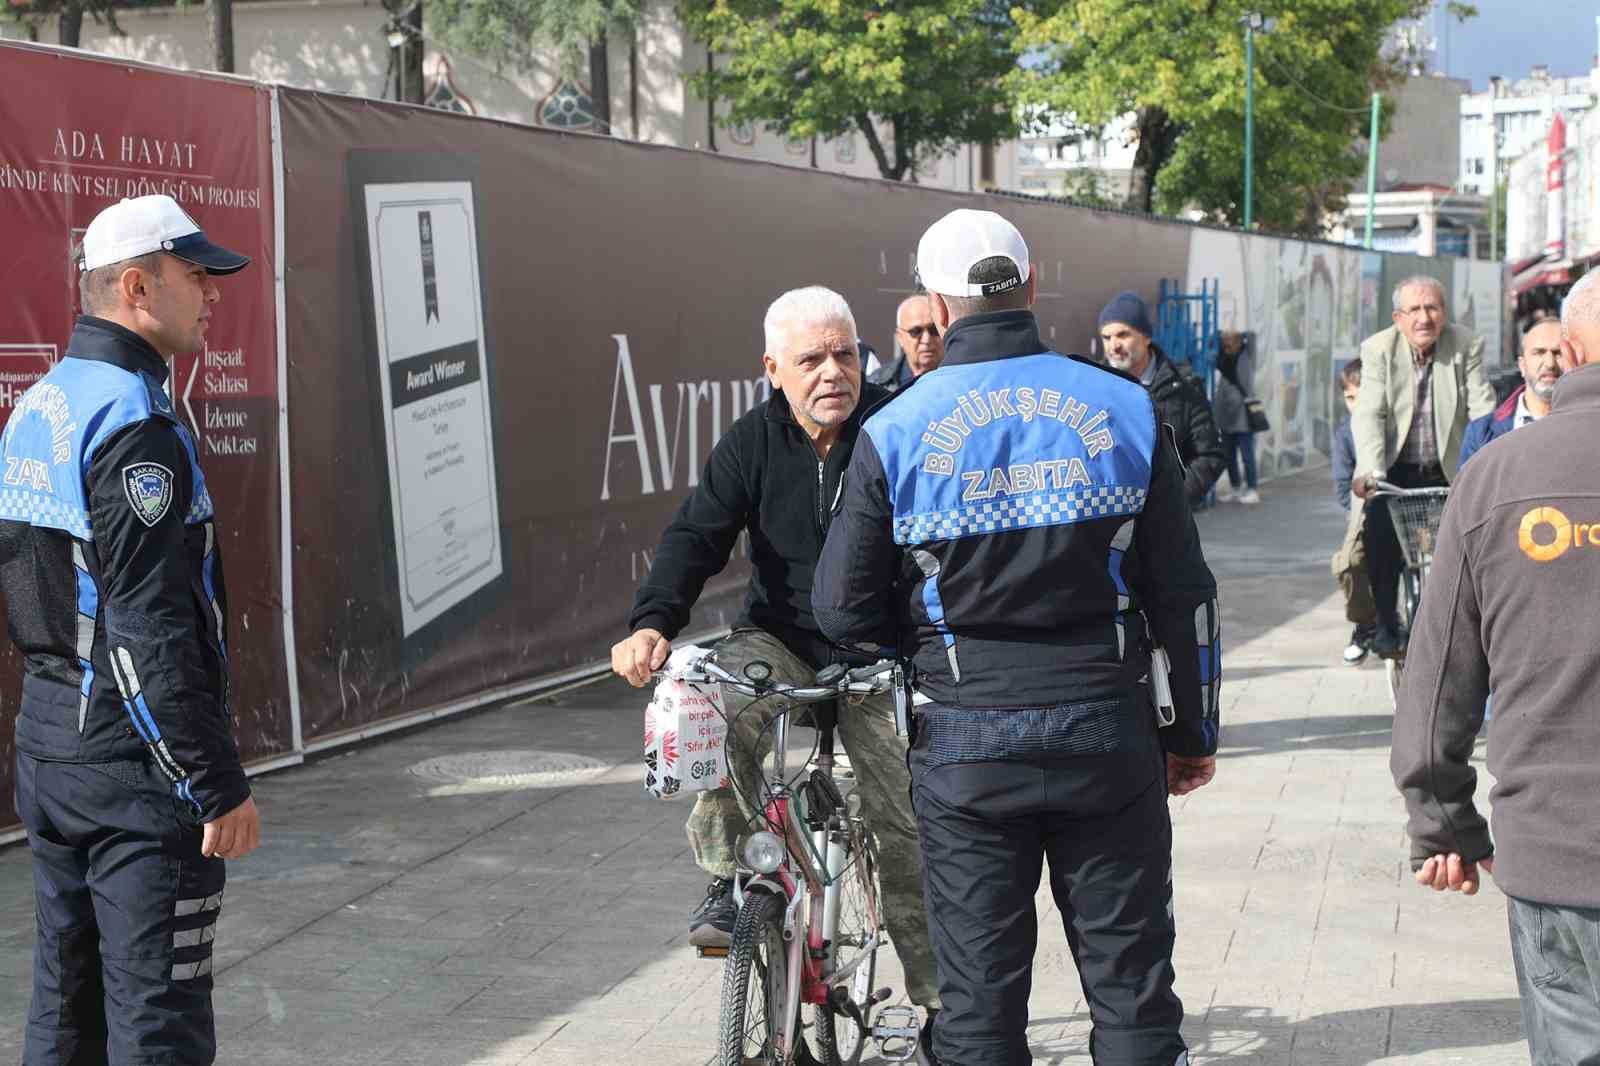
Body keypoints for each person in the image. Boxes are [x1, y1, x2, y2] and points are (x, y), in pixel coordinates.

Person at [813, 209, 1221, 1066]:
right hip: (1109, 732)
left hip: (965, 744)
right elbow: (1182, 591)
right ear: (1032, 287)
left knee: (979, 1006)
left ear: (935, 301)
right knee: (1134, 989)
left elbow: (842, 611)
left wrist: (927, 644)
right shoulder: (1129, 408)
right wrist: (1190, 736)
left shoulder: (894, 430)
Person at [609, 286, 942, 1047]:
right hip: (781, 640)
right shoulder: (750, 442)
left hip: (878, 652)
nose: (834, 372)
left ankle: (941, 1007)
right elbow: (696, 535)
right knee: (707, 710)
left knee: (906, 827)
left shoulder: (898, 427)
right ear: (772, 370)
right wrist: (652, 624)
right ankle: (734, 878)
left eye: (846, 354)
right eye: (811, 359)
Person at [1, 194, 261, 1066]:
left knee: (66, 1009)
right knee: (159, 1021)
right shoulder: (134, 424)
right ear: (138, 287)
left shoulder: (41, 404)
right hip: (131, 772)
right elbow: (148, 629)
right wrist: (213, 780)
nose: (214, 294)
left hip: (50, 749)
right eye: (198, 276)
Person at [1390, 270, 1600, 1065]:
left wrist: (1442, 818)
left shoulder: (1495, 480)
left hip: (1557, 852)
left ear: (1569, 351)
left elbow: (1440, 670)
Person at [1350, 275, 1494, 658]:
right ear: (1398, 317)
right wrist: (1371, 469)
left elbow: (1482, 410)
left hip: (1451, 470)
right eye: (1414, 309)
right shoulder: (1378, 348)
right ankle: (1384, 621)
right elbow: (1370, 413)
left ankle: (1465, 629)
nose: (1424, 318)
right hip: (1393, 470)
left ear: (1444, 312)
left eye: (1432, 307)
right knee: (1378, 541)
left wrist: (1487, 463)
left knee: (1471, 546)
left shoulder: (1466, 345)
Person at [1098, 291, 1227, 504]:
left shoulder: (1184, 386)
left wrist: (1171, 504)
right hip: (1109, 523)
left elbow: (1210, 454)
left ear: (1146, 337)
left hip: (1165, 525)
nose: (1114, 346)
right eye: (1106, 337)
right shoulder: (1094, 385)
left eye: (1123, 335)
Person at [1457, 317, 1563, 469]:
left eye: (1558, 353)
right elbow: (1468, 491)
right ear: (1522, 365)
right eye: (1539, 352)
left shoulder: (1589, 426)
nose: (1550, 363)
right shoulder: (1481, 434)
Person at [1330, 359, 1377, 666]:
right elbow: (1342, 486)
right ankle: (1365, 624)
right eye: (1350, 398)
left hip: (1403, 505)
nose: (1356, 405)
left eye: (1363, 396)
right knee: (1349, 563)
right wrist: (1358, 513)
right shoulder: (1345, 434)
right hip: (1364, 512)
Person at [1211, 329, 1261, 505]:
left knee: (1247, 454)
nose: (1227, 346)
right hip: (1226, 415)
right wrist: (1220, 336)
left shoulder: (1245, 355)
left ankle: (1253, 488)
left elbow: (1252, 336)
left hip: (1242, 416)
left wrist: (1241, 334)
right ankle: (1236, 487)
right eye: (1225, 343)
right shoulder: (1222, 359)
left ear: (1239, 342)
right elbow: (1214, 342)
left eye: (1231, 342)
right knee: (1228, 454)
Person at [869, 293, 947, 390]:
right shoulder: (877, 384)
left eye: (934, 330)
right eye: (916, 331)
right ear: (900, 337)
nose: (926, 340)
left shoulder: (963, 380)